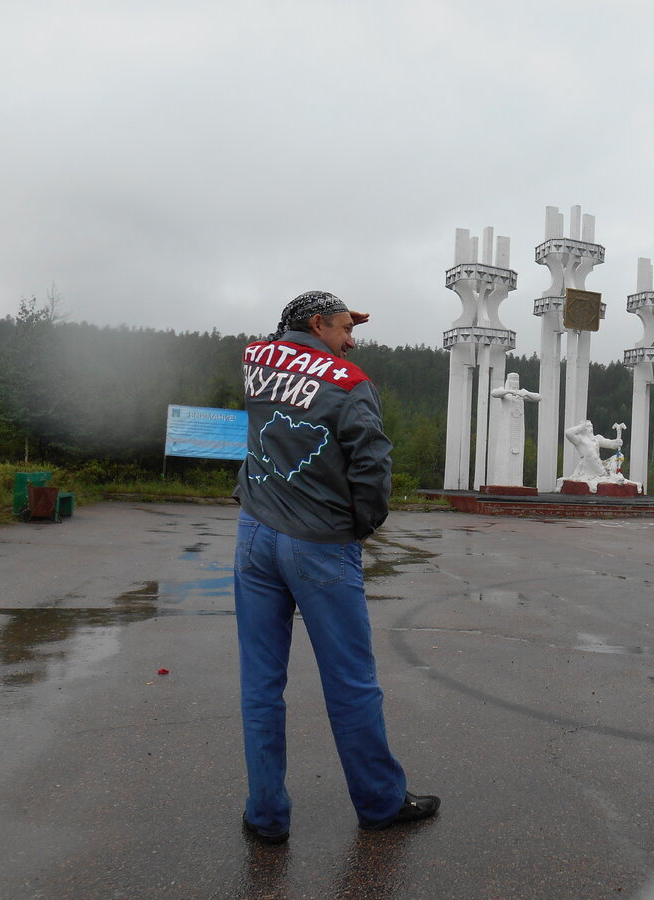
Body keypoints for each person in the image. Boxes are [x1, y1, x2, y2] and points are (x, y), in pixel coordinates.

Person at [234, 290, 439, 845]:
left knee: (260, 682)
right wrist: (363, 524)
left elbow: (281, 349)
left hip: (254, 535)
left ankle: (267, 815)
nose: (352, 340)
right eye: (346, 328)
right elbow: (372, 461)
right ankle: (379, 803)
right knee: (351, 683)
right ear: (318, 323)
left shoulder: (256, 359)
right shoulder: (351, 384)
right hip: (320, 544)